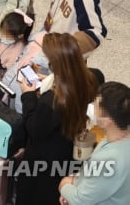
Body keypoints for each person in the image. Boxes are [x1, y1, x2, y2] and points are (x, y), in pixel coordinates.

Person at [16, 33, 99, 205]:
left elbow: (33, 129)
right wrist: (48, 80)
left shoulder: (52, 100)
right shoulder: (90, 78)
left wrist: (28, 95)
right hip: (68, 151)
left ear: (55, 63)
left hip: (42, 164)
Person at [59, 81, 130, 205]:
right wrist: (75, 181)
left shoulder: (109, 161)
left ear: (108, 121)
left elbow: (80, 200)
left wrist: (64, 185)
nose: (91, 107)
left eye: (96, 106)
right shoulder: (120, 136)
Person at [0, 9, 46, 113]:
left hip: (4, 77)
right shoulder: (8, 39)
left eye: (7, 35)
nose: (4, 36)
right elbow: (2, 46)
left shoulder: (19, 50)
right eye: (3, 32)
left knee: (1, 96)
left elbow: (11, 71)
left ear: (19, 36)